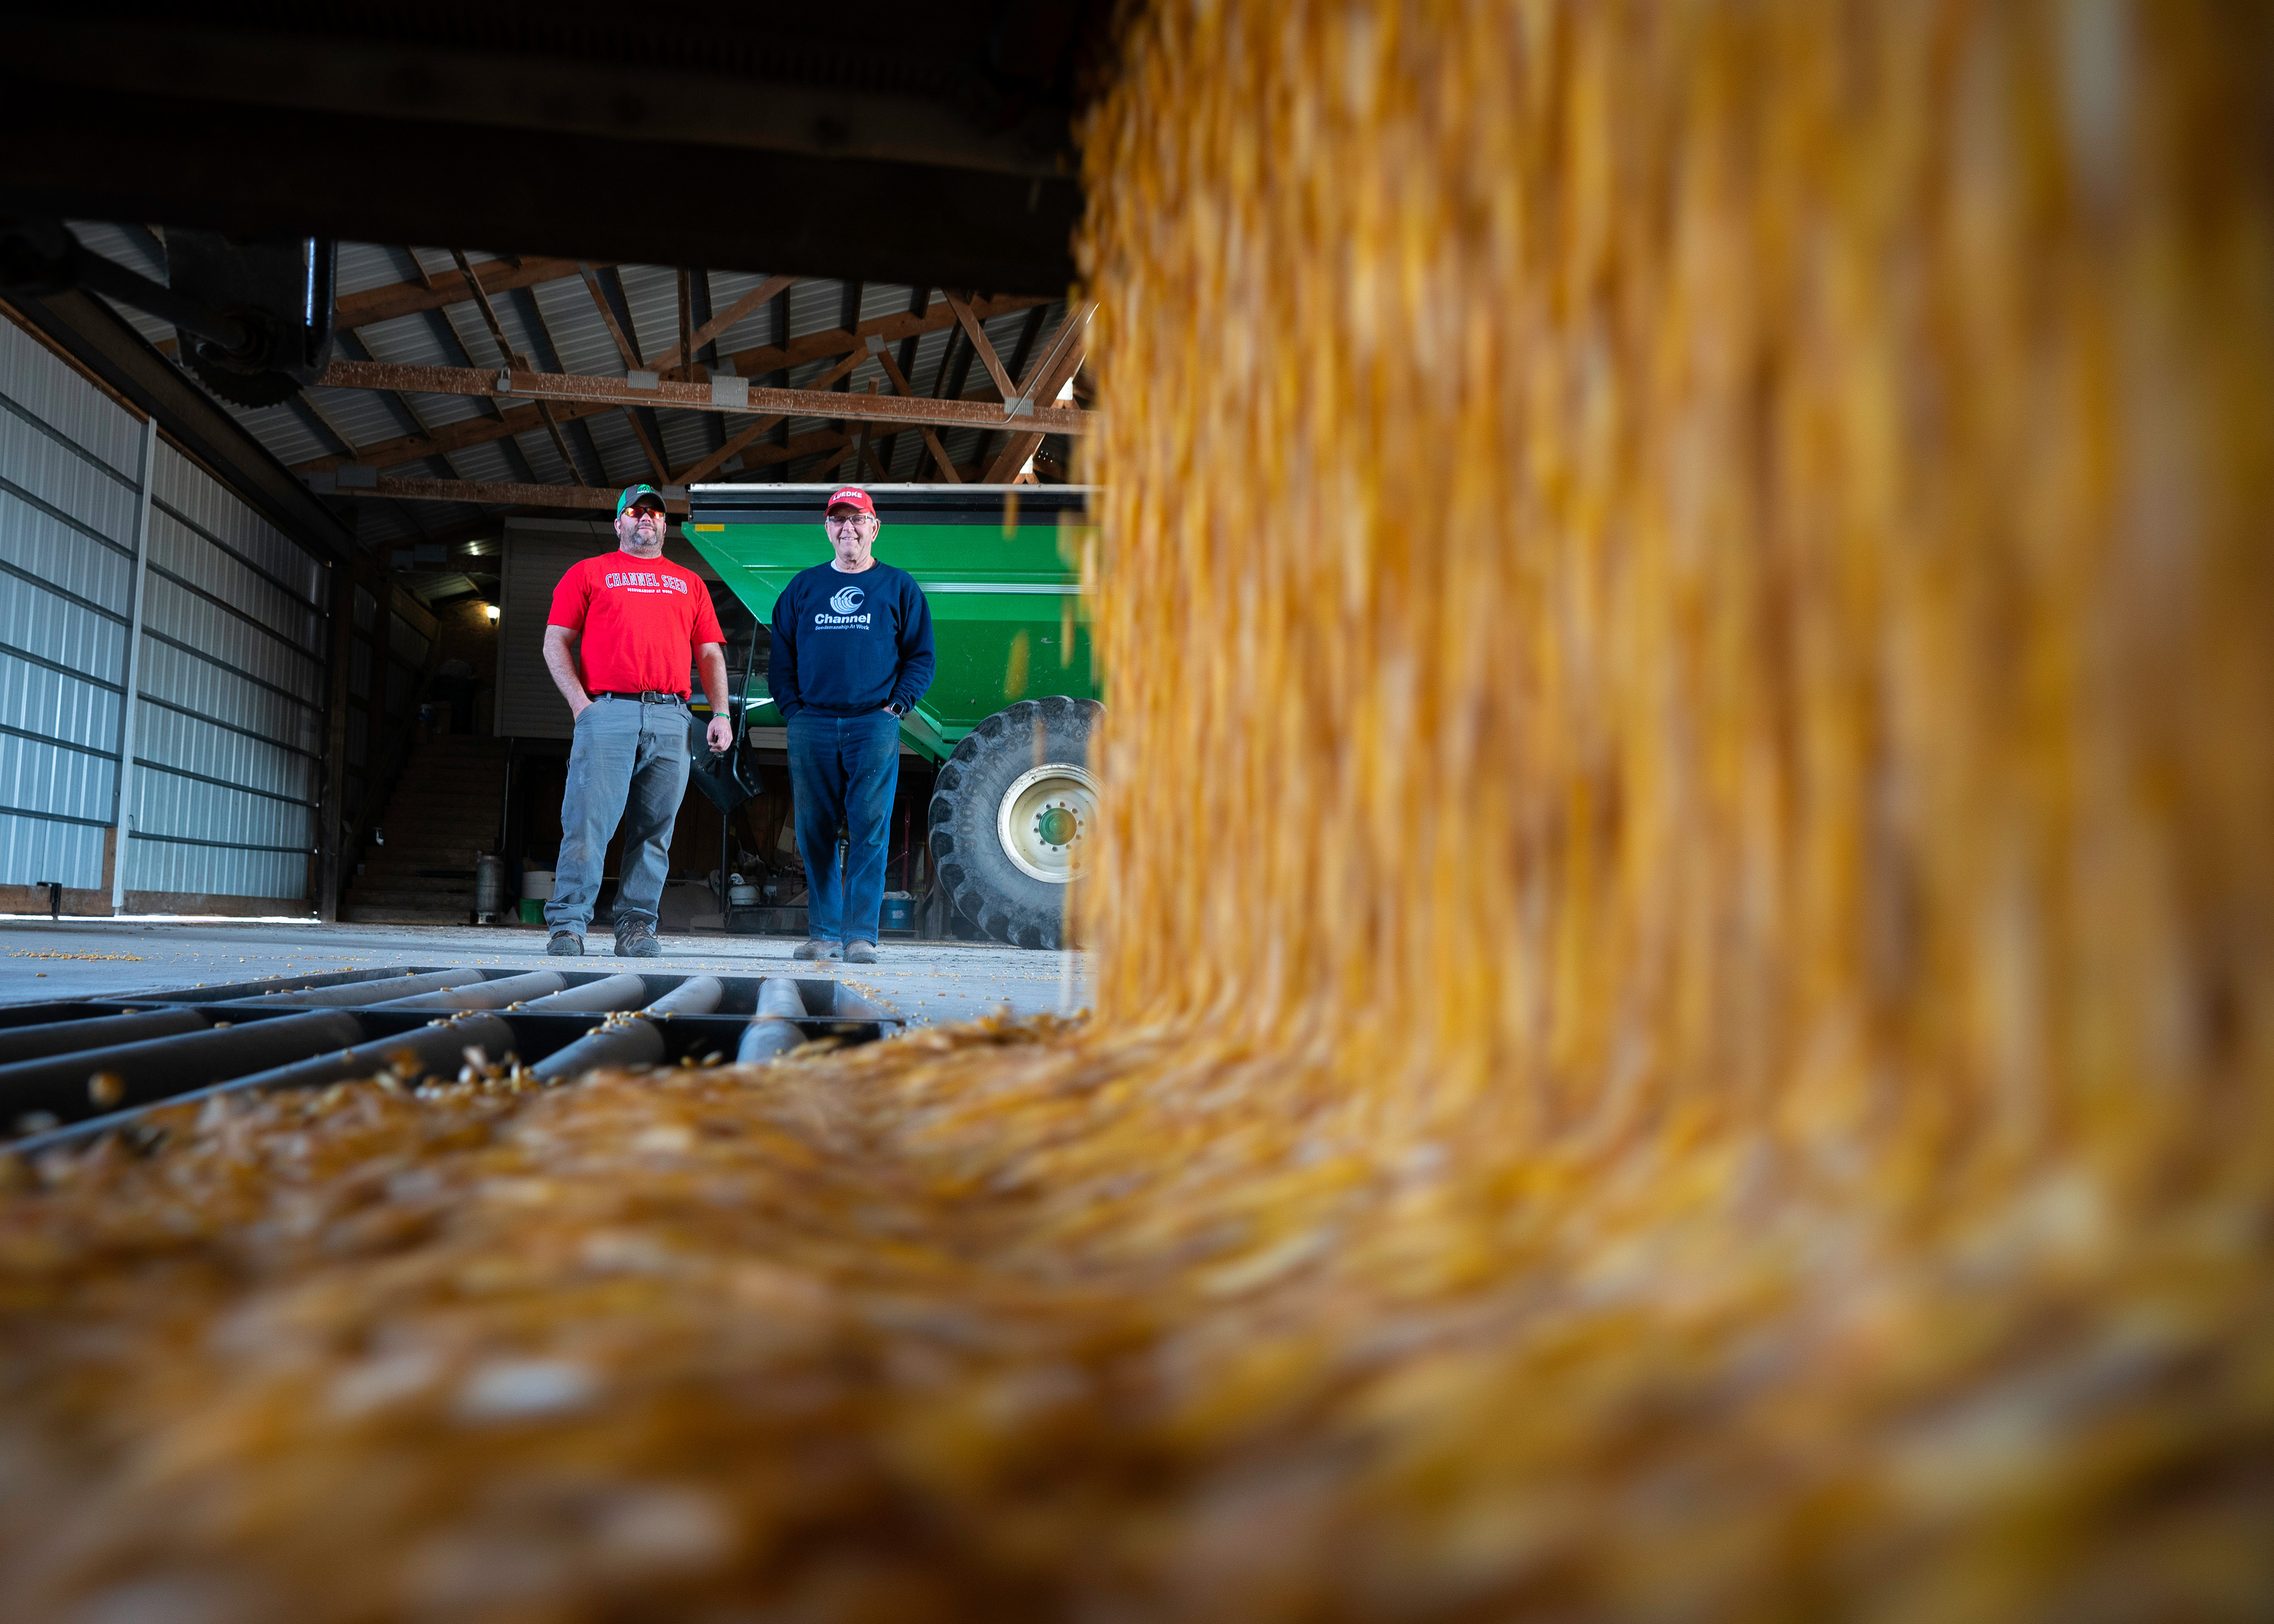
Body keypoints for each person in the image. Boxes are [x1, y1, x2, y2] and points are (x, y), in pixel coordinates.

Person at [541, 484, 733, 957]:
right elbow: (554, 642)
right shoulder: (590, 573)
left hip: (671, 716)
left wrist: (721, 712)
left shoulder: (690, 583)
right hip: (608, 710)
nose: (645, 517)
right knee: (588, 823)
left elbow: (709, 653)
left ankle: (636, 928)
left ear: (665, 525)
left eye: (654, 513)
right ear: (619, 523)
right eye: (635, 510)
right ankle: (569, 925)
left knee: (655, 831)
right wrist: (581, 706)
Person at [767, 487, 934, 964]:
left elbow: (921, 657)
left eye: (857, 519)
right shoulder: (803, 588)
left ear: (874, 527)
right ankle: (823, 934)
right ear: (827, 529)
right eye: (838, 520)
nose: (848, 528)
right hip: (812, 724)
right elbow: (782, 657)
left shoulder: (899, 588)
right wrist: (794, 711)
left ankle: (860, 935)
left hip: (874, 724)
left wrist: (897, 707)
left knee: (870, 829)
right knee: (814, 831)